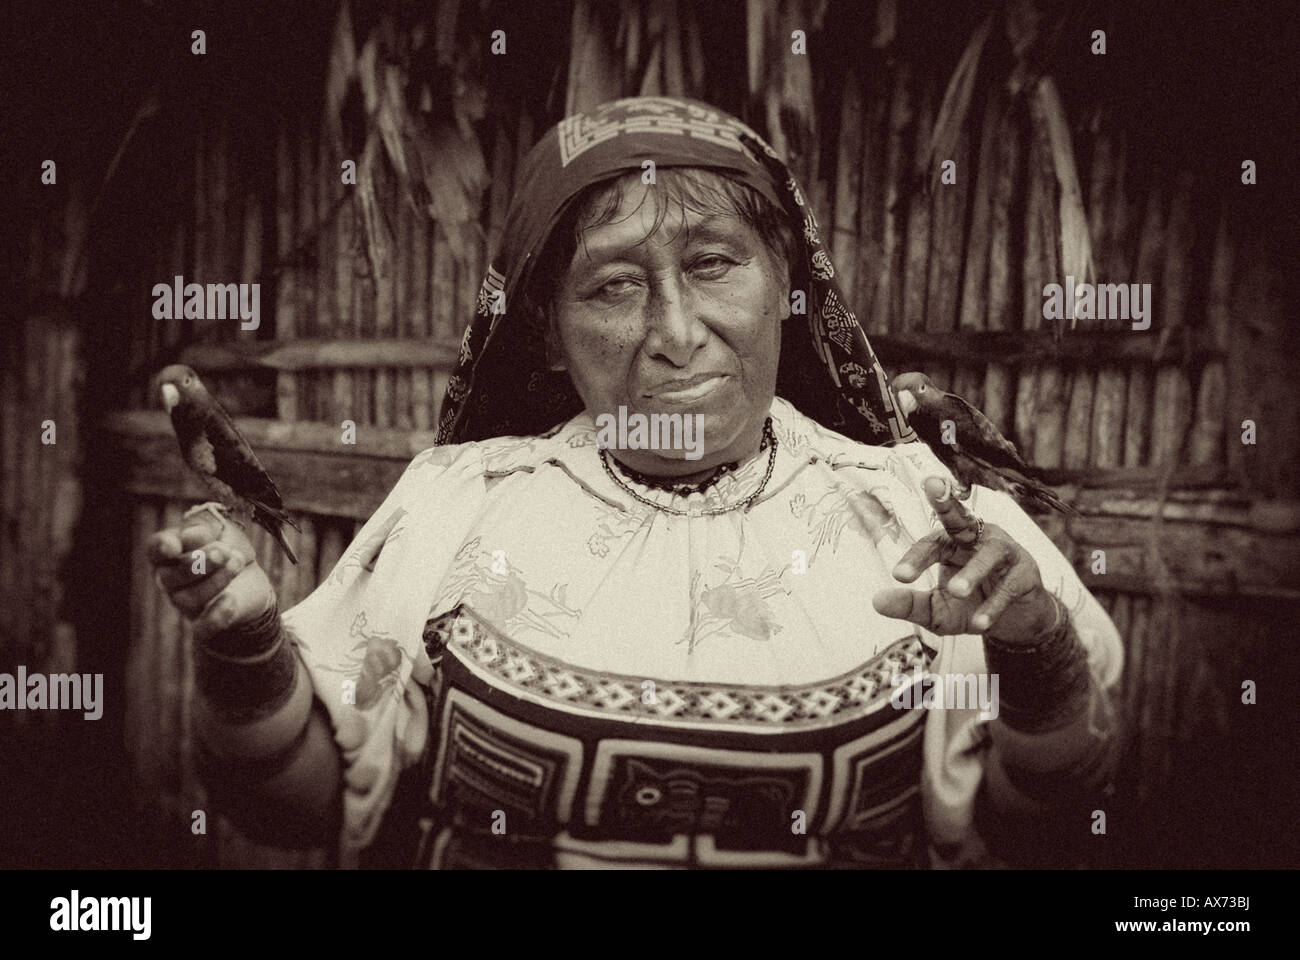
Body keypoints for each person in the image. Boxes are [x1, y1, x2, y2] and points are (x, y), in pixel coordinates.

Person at [149, 96, 1121, 869]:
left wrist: (1035, 656)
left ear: (784, 281)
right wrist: (245, 656)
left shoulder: (927, 526)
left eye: (712, 265)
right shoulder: (454, 512)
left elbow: (1032, 830)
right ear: (544, 325)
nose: (674, 330)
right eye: (614, 285)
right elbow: (298, 812)